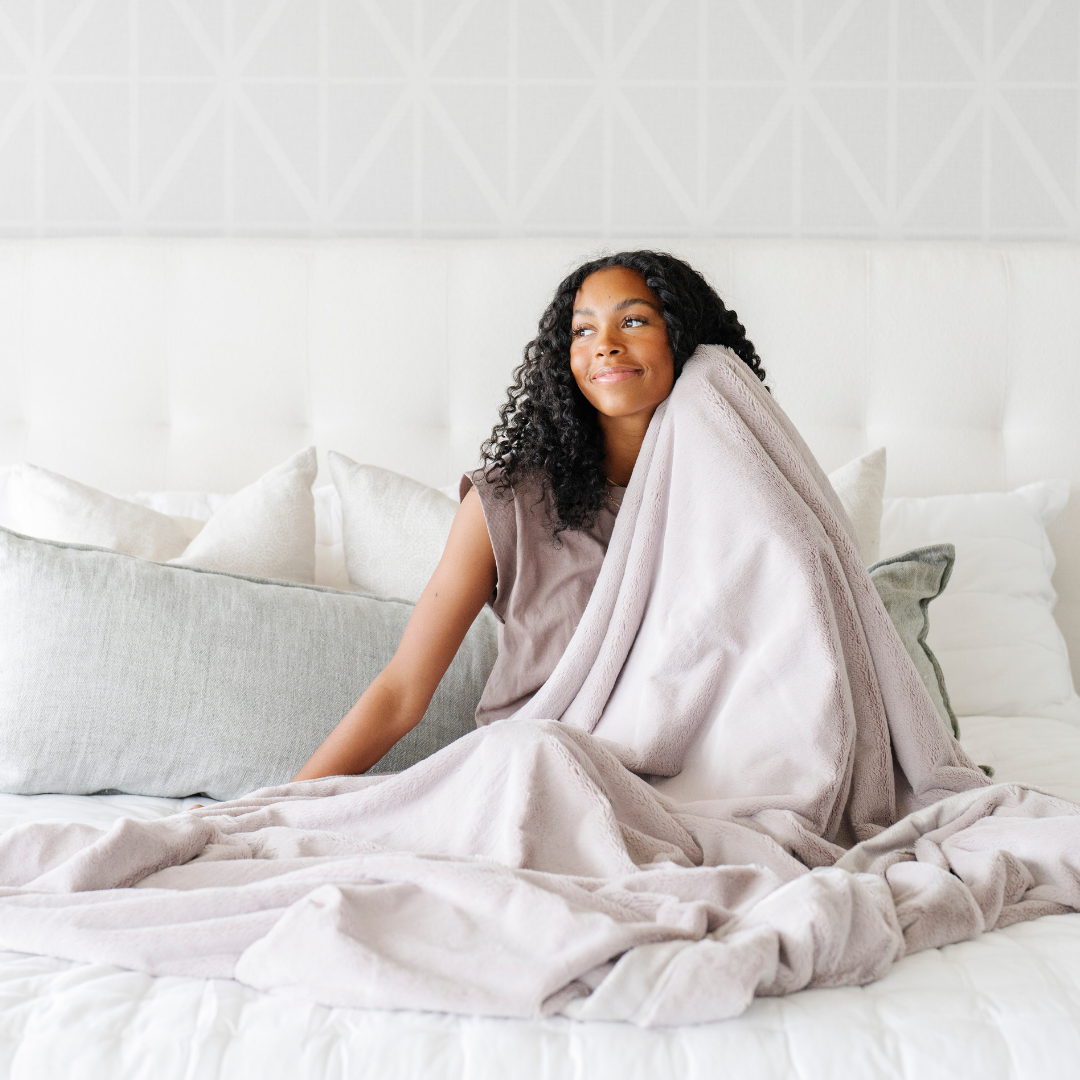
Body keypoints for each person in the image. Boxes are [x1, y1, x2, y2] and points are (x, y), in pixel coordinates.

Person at [293, 251, 766, 782]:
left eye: (633, 320)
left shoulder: (743, 502)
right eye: (583, 331)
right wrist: (283, 805)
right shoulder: (508, 501)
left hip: (694, 786)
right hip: (531, 775)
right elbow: (402, 691)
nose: (605, 344)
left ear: (688, 341)